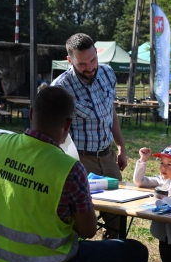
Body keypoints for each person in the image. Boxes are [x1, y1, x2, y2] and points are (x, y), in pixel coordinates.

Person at [0, 86, 148, 262]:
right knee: (135, 253)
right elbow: (88, 230)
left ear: (31, 114)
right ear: (68, 124)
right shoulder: (70, 170)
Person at [51, 33, 127, 239]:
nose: (90, 67)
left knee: (117, 220)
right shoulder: (60, 88)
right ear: (70, 61)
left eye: (93, 60)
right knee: (79, 222)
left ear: (97, 53)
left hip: (107, 157)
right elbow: (53, 132)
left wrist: (121, 147)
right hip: (78, 161)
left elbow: (110, 113)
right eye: (82, 64)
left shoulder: (108, 74)